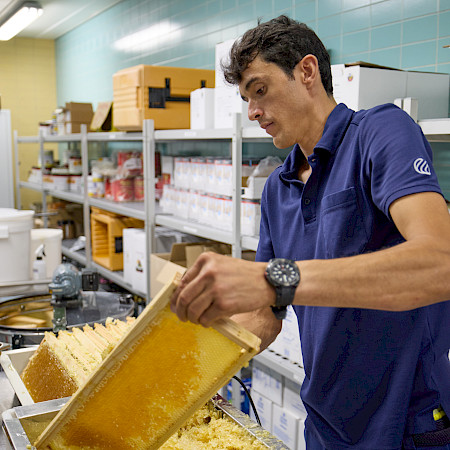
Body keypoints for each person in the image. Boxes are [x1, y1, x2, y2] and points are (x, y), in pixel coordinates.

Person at [170, 15, 450, 450]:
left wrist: (274, 279)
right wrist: (189, 366)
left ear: (306, 71)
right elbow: (265, 314)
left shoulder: (380, 133)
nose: (253, 112)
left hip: (405, 423)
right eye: (246, 99)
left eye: (260, 90)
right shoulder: (277, 189)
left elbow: (439, 262)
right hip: (326, 421)